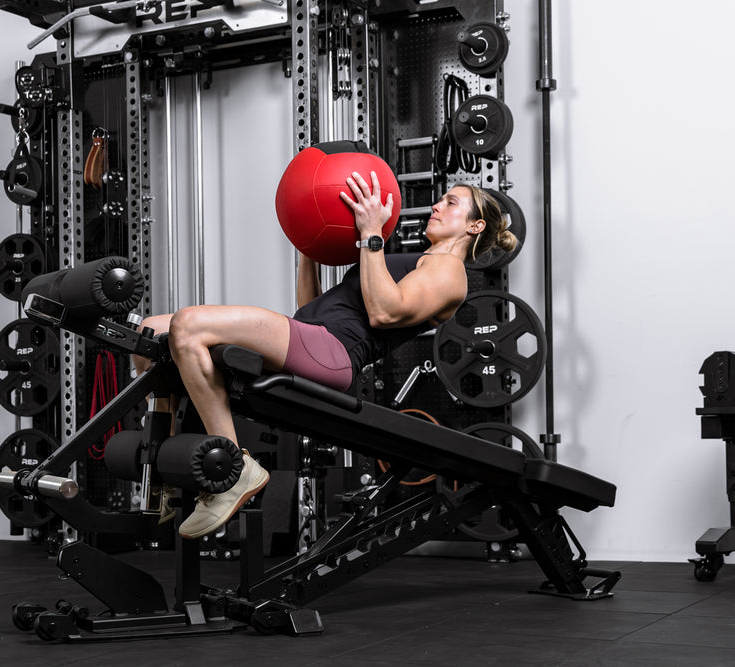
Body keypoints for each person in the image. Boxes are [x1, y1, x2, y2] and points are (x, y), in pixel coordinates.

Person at [135, 172, 518, 539]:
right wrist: (309, 252)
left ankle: (234, 468)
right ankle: (167, 470)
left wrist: (371, 233)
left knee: (189, 324)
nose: (436, 206)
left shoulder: (449, 271)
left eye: (451, 202)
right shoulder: (421, 260)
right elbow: (311, 310)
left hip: (334, 353)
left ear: (475, 226)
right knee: (151, 330)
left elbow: (385, 314)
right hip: (314, 337)